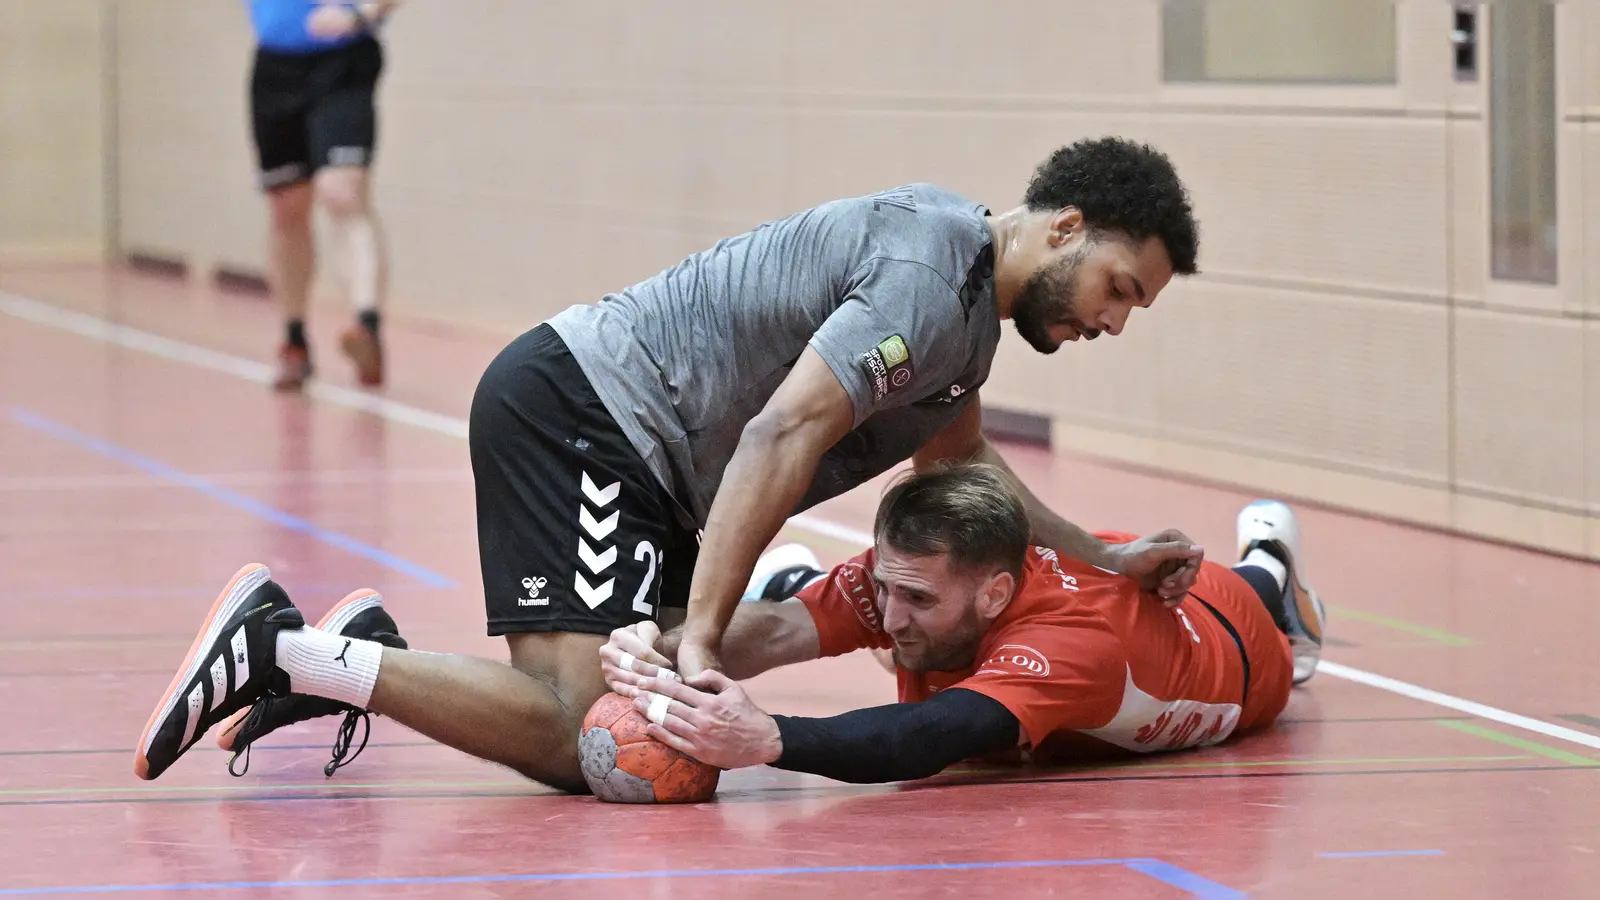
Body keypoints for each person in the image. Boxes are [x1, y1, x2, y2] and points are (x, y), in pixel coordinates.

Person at [133, 138, 1207, 791]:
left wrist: (1108, 561)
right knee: (579, 735)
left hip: (648, 468)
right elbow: (777, 436)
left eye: (1136, 310)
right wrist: (698, 637)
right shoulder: (929, 277)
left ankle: (365, 655)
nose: (1114, 321)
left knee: (638, 712)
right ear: (1065, 228)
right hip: (587, 414)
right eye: (1118, 287)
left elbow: (962, 469)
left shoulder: (964, 321)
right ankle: (281, 650)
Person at [599, 465, 1326, 782]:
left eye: (915, 597)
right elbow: (780, 632)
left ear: (995, 592)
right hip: (1093, 577)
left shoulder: (1072, 649)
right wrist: (659, 646)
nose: (892, 612)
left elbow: (931, 736)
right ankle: (797, 578)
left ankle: (1271, 557)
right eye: (886, 587)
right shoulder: (924, 565)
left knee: (1256, 587)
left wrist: (769, 736)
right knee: (901, 636)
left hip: (1239, 646)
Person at [247, 1, 400, 391]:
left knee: (342, 193)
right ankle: (294, 339)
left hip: (342, 59)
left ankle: (366, 324)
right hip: (275, 66)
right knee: (286, 209)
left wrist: (361, 14)